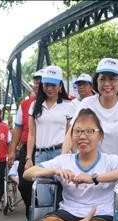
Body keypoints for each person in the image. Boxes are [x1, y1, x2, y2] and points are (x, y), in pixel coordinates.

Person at [24, 108, 118, 221]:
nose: (82, 136)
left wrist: (94, 178)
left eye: (89, 131)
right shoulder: (64, 160)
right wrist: (55, 171)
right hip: (68, 212)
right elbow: (27, 174)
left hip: (100, 214)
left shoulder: (110, 160)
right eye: (77, 132)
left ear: (100, 135)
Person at [62, 58, 118, 165]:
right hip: (92, 164)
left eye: (112, 79)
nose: (107, 84)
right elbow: (72, 131)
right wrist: (63, 157)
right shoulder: (87, 103)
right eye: (102, 79)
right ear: (96, 81)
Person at [26, 65, 76, 206]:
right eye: (47, 84)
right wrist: (29, 157)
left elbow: (71, 135)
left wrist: (73, 157)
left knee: (63, 196)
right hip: (41, 155)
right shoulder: (35, 105)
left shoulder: (69, 106)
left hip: (60, 153)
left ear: (60, 86)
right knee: (43, 199)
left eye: (53, 85)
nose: (50, 88)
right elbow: (31, 134)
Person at [8, 69, 43, 221]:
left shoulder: (61, 103)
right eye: (35, 81)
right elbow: (17, 128)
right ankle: (31, 210)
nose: (38, 84)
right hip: (27, 149)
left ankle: (47, 217)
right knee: (24, 184)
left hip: (46, 148)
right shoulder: (24, 105)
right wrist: (11, 151)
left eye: (41, 81)